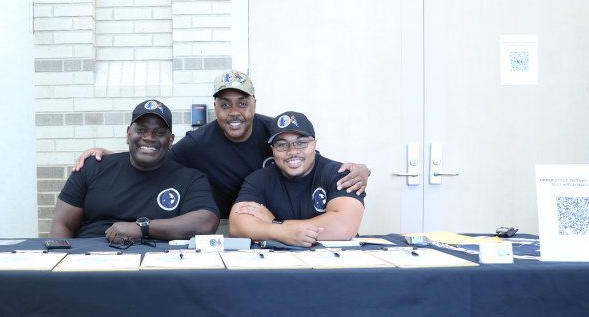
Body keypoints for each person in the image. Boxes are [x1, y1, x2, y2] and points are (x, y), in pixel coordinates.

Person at [74, 70, 370, 219]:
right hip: (231, 222)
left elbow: (306, 158)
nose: (234, 112)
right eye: (225, 104)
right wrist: (113, 156)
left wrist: (360, 170)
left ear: (254, 104)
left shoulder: (273, 131)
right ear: (215, 108)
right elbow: (156, 158)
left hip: (283, 216)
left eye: (242, 103)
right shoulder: (198, 143)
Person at [51, 99, 219, 243]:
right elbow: (62, 224)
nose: (149, 137)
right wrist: (60, 260)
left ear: (170, 140)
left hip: (157, 263)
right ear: (128, 134)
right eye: (141, 130)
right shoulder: (93, 167)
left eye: (159, 132)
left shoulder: (190, 179)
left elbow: (205, 223)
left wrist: (142, 228)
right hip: (90, 258)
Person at [228, 111, 365, 248]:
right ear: (272, 149)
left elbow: (344, 226)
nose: (292, 151)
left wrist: (276, 225)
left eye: (301, 143)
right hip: (279, 259)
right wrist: (283, 232)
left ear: (314, 144)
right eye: (282, 145)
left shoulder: (339, 173)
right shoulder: (258, 179)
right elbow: (237, 226)